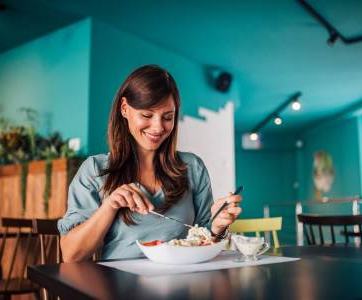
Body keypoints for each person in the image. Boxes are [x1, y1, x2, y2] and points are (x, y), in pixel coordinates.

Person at [58, 65, 242, 262]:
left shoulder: (193, 167)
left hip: (184, 283)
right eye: (147, 115)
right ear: (124, 108)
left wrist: (216, 227)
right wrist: (109, 206)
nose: (158, 127)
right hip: (119, 287)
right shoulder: (95, 170)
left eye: (168, 117)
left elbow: (205, 239)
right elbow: (71, 255)